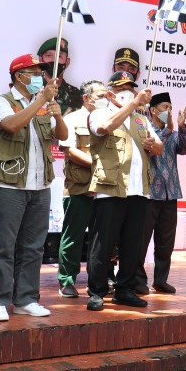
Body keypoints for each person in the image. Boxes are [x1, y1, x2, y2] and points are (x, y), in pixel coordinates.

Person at [0, 54, 67, 322]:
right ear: (19, 76)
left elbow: (62, 136)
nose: (40, 77)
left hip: (40, 185)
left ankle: (26, 299)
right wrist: (41, 100)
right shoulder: (0, 102)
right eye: (34, 72)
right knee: (3, 246)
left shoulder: (45, 104)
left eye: (41, 72)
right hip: (9, 184)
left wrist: (58, 114)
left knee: (33, 247)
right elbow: (11, 124)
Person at [85, 72, 162, 311]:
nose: (128, 92)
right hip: (111, 189)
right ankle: (96, 291)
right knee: (103, 243)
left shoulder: (141, 119)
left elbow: (159, 147)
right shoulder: (100, 112)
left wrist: (154, 145)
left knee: (132, 243)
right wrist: (132, 104)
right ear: (110, 94)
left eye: (131, 88)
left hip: (139, 191)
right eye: (122, 89)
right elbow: (106, 127)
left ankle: (125, 289)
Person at [56, 79, 106, 298]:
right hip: (79, 186)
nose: (105, 100)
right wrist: (100, 166)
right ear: (86, 98)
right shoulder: (72, 119)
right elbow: (70, 151)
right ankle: (67, 280)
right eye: (100, 96)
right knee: (73, 236)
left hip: (105, 189)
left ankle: (97, 281)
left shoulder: (109, 119)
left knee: (102, 239)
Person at [138, 92, 186, 294]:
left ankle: (160, 280)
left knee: (165, 243)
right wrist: (169, 128)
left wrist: (182, 127)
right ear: (152, 110)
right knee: (141, 241)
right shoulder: (144, 130)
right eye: (164, 107)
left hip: (170, 194)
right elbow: (155, 143)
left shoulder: (174, 134)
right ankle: (138, 280)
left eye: (170, 106)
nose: (168, 111)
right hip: (150, 194)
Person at [38, 37, 83, 115]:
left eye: (59, 56)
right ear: (41, 60)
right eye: (49, 55)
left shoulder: (75, 94)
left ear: (67, 62)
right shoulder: (33, 89)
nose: (54, 60)